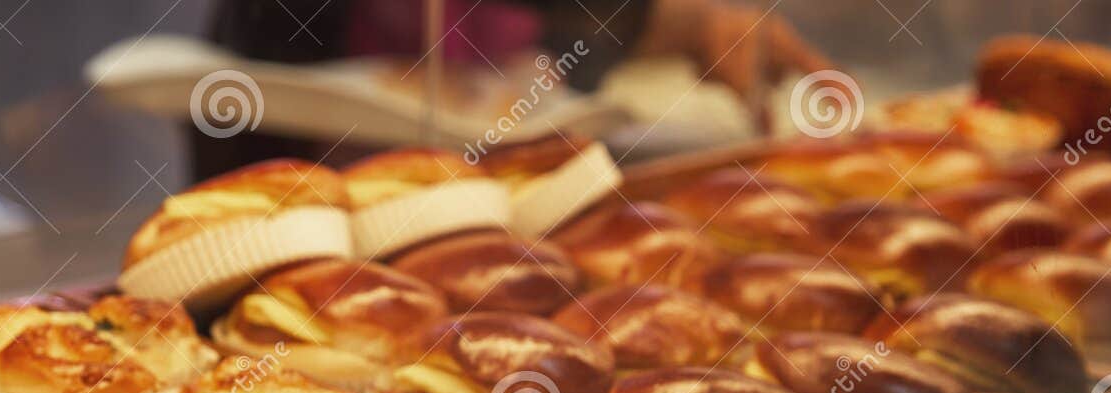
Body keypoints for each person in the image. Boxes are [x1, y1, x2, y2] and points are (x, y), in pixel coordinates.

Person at [192, 0, 831, 176]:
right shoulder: (280, 22)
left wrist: (686, 24)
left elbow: (591, 33)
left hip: (516, 226)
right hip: (314, 214)